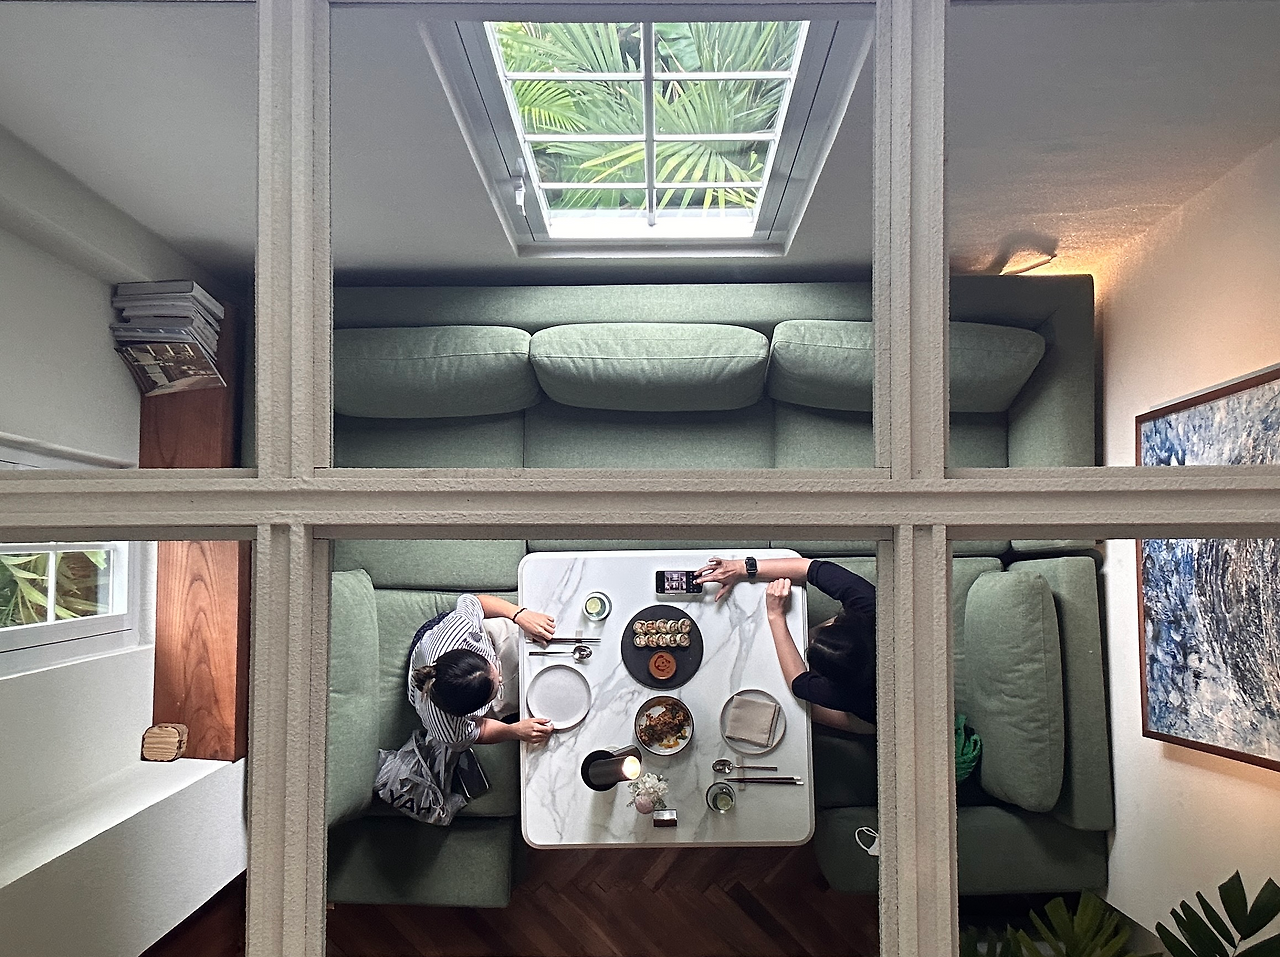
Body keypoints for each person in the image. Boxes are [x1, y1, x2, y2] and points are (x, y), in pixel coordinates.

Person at [695, 556, 876, 734]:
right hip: (866, 652)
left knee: (800, 706)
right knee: (800, 645)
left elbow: (800, 684)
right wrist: (742, 568)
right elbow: (810, 568)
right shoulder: (872, 604)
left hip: (874, 712)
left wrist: (775, 616)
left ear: (832, 683)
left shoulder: (852, 698)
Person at [408, 593, 556, 749]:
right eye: (494, 690)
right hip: (450, 698)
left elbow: (476, 602)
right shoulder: (451, 731)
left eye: (492, 669)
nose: (500, 678)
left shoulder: (458, 630)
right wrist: (513, 731)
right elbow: (479, 731)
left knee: (525, 633)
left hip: (441, 643)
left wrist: (519, 614)